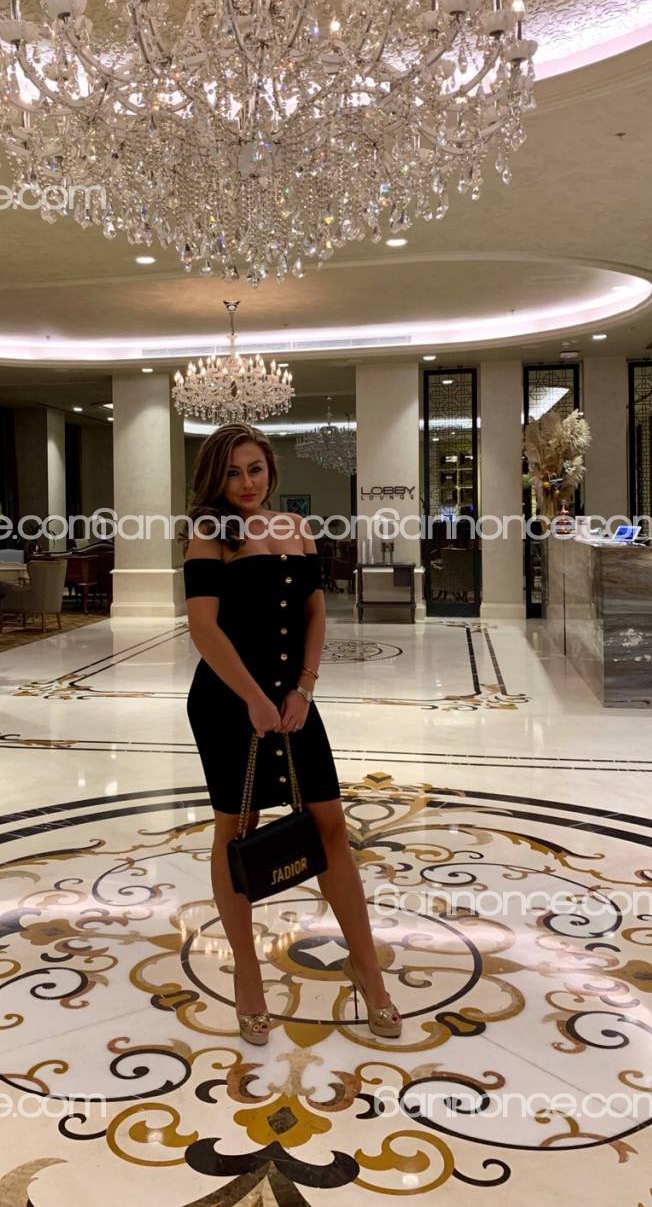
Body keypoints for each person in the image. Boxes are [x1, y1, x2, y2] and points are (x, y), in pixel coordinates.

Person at [181, 422, 402, 1045]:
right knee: (236, 830)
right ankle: (248, 979)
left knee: (330, 823)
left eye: (254, 469)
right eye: (232, 472)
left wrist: (303, 687)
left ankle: (367, 971)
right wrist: (253, 698)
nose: (246, 483)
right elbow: (203, 628)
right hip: (229, 701)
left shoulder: (296, 527)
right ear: (215, 479)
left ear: (270, 470)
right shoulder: (209, 533)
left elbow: (314, 611)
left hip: (294, 701)